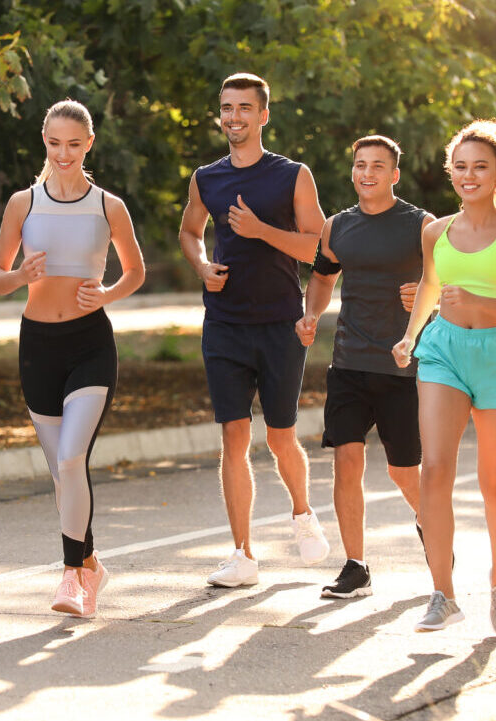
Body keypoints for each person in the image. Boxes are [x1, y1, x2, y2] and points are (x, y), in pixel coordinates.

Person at [0, 99, 145, 618]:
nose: (63, 154)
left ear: (88, 145)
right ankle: (92, 562)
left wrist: (106, 296)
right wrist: (21, 278)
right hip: (38, 346)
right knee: (61, 472)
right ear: (44, 142)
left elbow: (135, 272)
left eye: (73, 145)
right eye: (54, 144)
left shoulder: (108, 207)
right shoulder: (22, 204)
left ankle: (72, 578)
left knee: (72, 458)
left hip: (89, 345)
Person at [391, 119, 496, 634]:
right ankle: (443, 593)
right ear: (450, 173)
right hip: (444, 353)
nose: (468, 175)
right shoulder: (435, 231)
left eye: (480, 166)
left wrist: (479, 300)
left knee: (495, 484)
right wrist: (411, 336)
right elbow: (432, 289)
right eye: (460, 167)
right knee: (434, 470)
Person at [178, 72, 330, 587]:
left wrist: (262, 231)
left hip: (279, 324)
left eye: (245, 108)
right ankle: (242, 555)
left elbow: (318, 249)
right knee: (233, 435)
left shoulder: (293, 176)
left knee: (281, 436)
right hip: (224, 324)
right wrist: (202, 266)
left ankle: (303, 513)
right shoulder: (206, 177)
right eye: (226, 108)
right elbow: (189, 231)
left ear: (263, 115)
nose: (234, 117)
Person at [297, 135, 434, 599]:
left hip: (403, 364)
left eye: (378, 166)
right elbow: (321, 276)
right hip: (350, 361)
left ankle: (430, 523)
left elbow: (448, 280)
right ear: (352, 172)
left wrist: (425, 295)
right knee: (346, 460)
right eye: (360, 165)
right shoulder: (336, 228)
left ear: (394, 174)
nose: (368, 173)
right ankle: (355, 566)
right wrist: (312, 313)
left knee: (403, 471)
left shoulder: (422, 225)